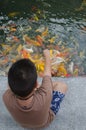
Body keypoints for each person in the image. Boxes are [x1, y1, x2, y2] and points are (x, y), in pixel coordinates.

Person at [3, 49, 68, 129]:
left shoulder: (6, 97)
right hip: (44, 123)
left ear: (10, 86)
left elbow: (10, 87)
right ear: (36, 85)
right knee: (62, 86)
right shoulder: (45, 95)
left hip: (23, 124)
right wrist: (47, 56)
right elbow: (47, 75)